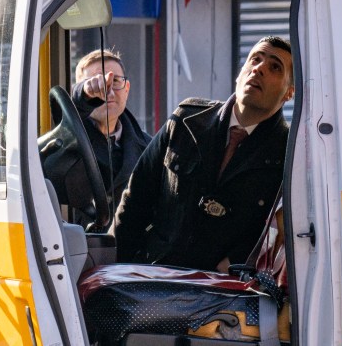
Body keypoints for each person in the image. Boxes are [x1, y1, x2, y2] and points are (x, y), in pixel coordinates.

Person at [113, 36, 294, 273]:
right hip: (156, 276)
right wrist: (124, 271)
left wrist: (234, 265)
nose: (259, 69)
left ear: (289, 93)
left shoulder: (290, 151)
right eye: (255, 60)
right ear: (240, 73)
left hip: (227, 297)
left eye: (274, 67)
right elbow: (135, 199)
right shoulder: (187, 121)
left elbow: (286, 233)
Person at [71, 49, 151, 212]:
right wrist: (84, 94)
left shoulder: (149, 148)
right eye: (96, 84)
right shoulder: (66, 140)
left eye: (115, 82)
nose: (107, 91)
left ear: (127, 88)